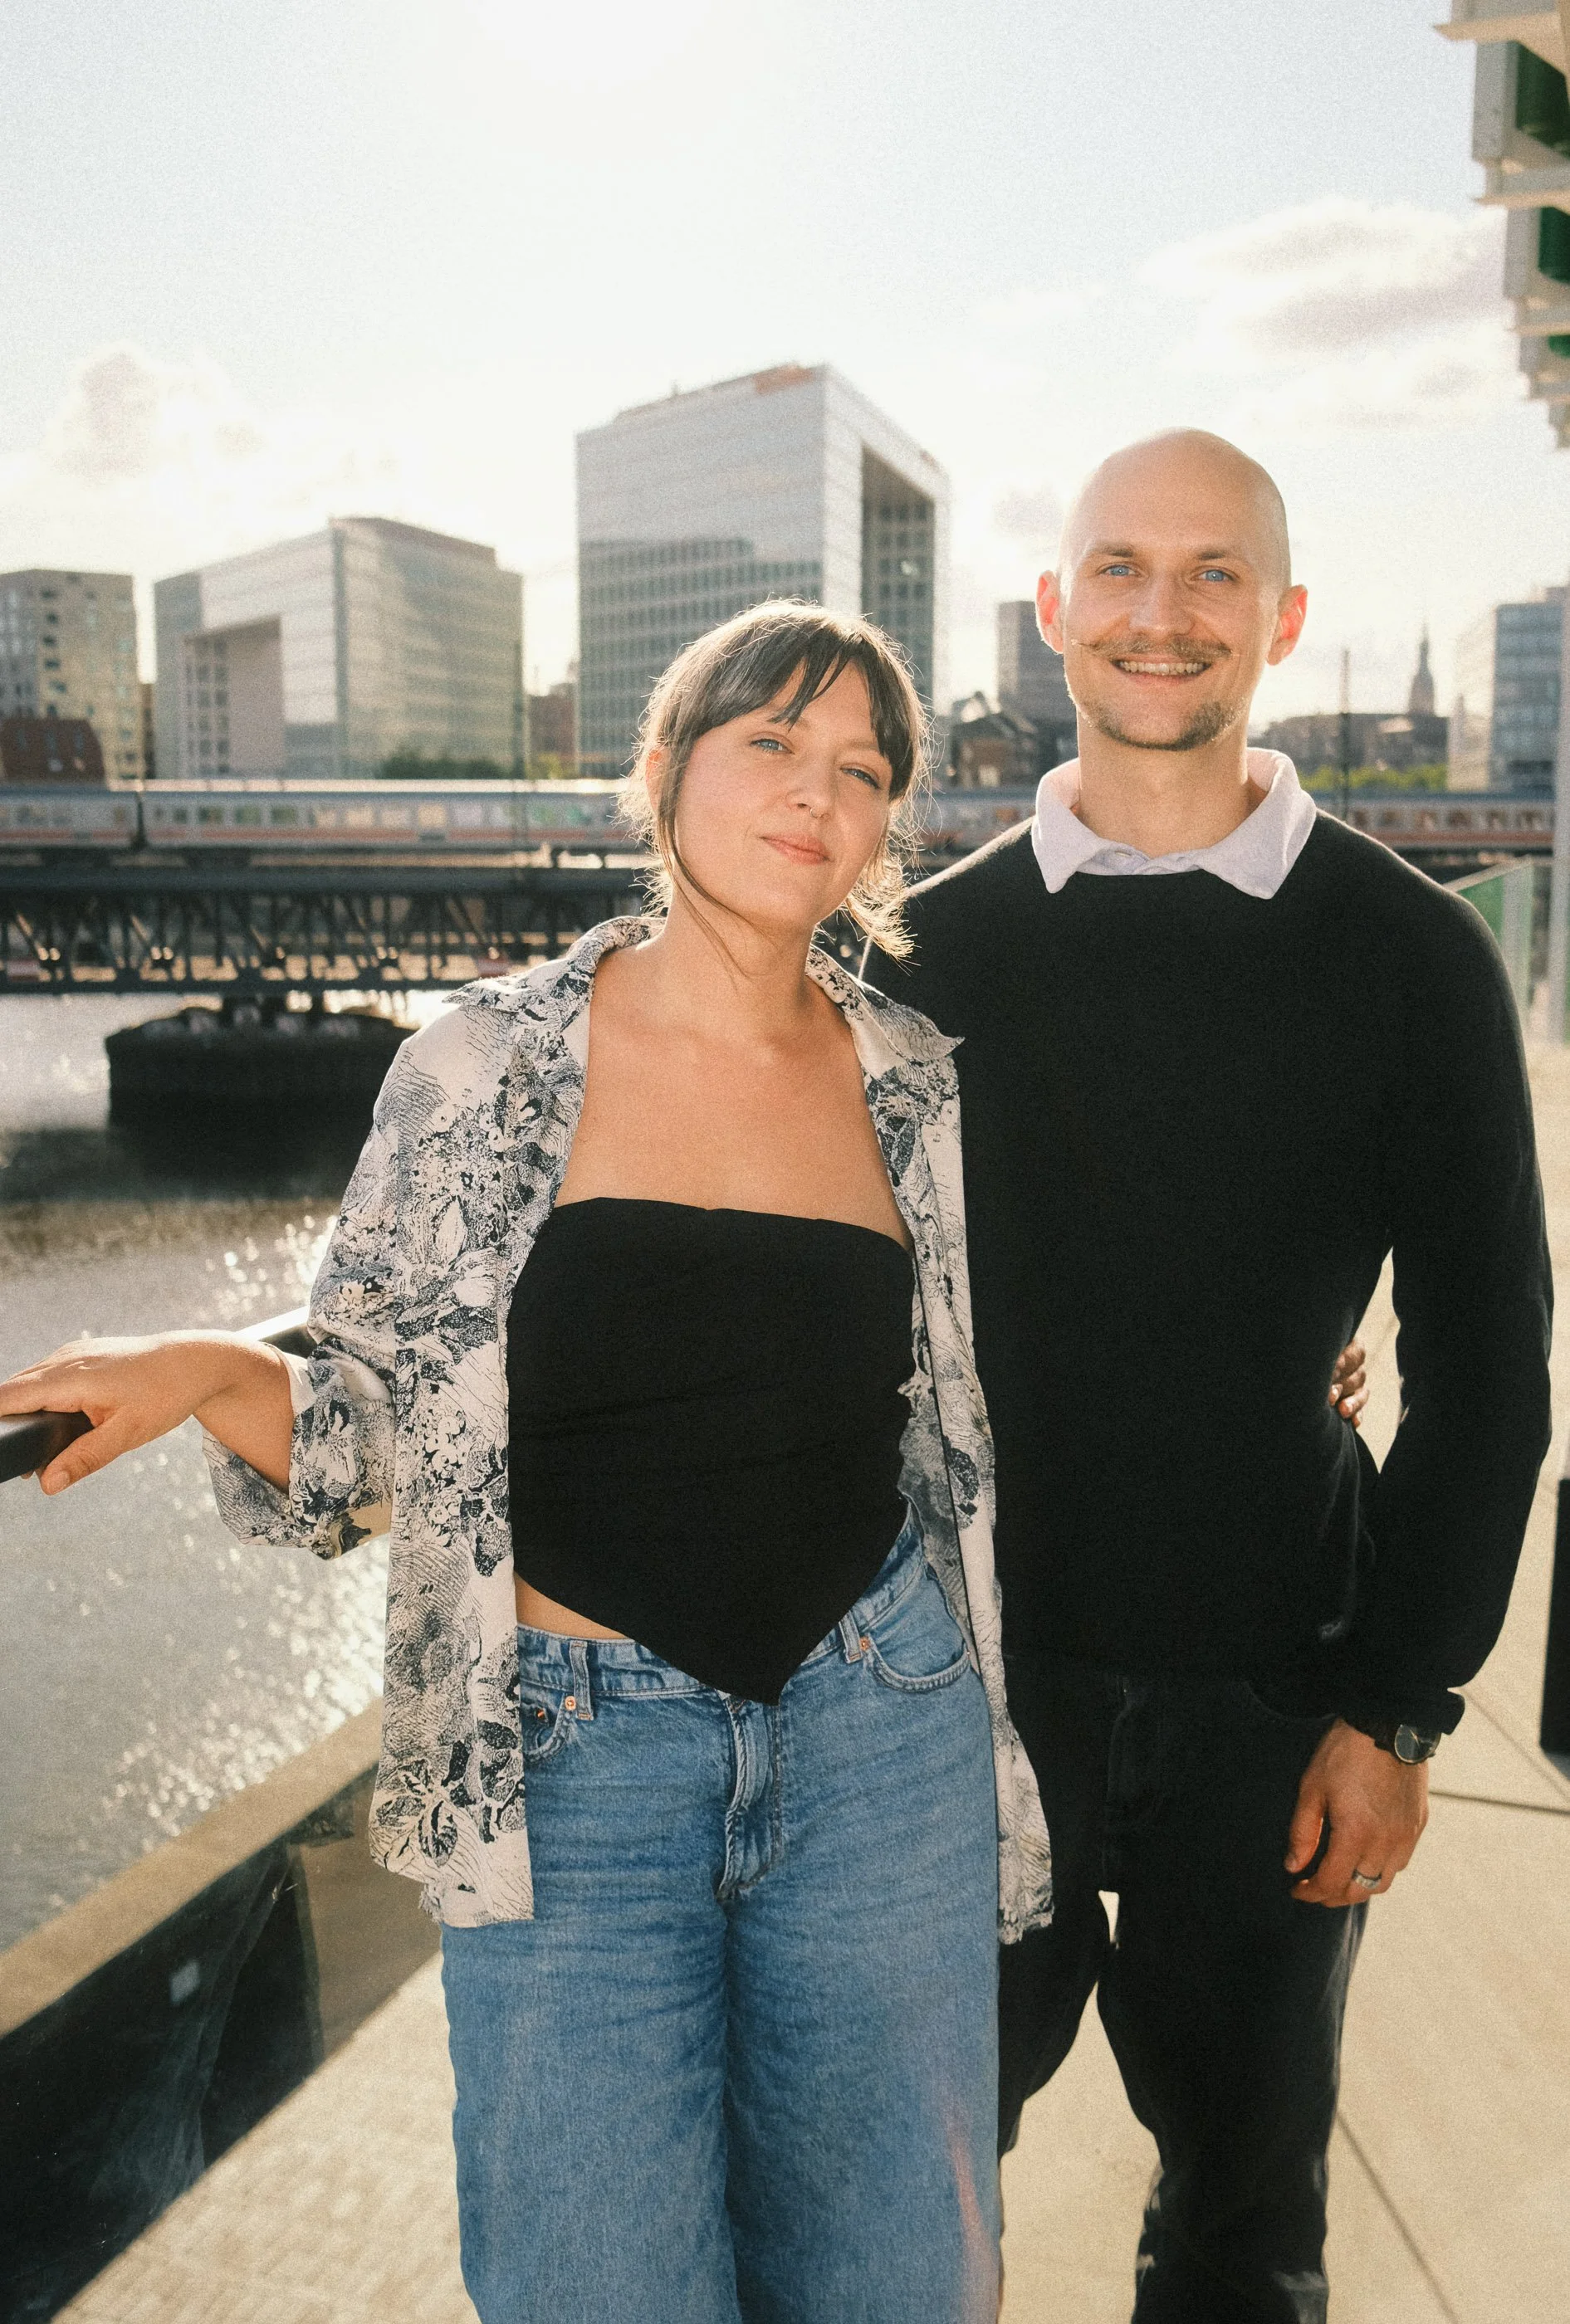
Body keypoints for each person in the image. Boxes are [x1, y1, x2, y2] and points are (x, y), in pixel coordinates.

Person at [0, 604, 1054, 2324]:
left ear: (885, 830)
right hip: (577, 1765)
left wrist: (1297, 1350)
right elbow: (371, 1426)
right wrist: (208, 1365)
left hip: (882, 1727)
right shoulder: (482, 1062)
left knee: (903, 2277)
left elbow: (974, 1385)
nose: (816, 793)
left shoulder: (908, 1080)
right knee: (593, 2278)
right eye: (770, 743)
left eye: (863, 769)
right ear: (665, 770)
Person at [865, 429, 1553, 2324]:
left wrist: (1397, 1700)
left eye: (1214, 574)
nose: (1162, 616)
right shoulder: (918, 951)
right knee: (898, 2204)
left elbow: (1492, 1357)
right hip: (965, 1694)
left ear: (1285, 616)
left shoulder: (1414, 960)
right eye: (1121, 570)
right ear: (1054, 607)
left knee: (1249, 2234)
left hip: (1279, 1689)